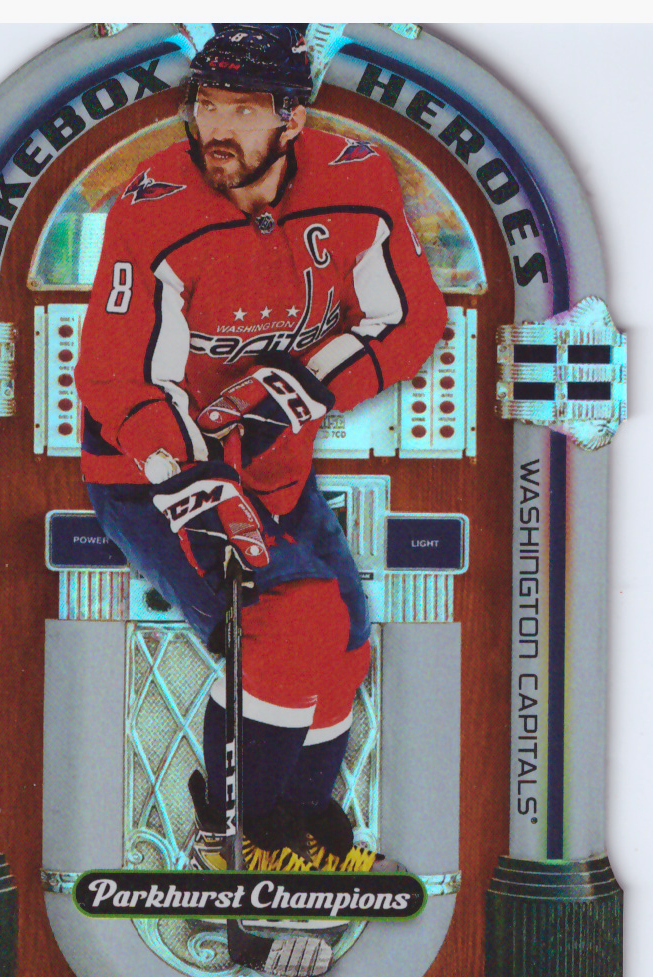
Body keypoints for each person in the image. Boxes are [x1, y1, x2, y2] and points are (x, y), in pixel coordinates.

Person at [75, 24, 447, 873]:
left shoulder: (358, 177)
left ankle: (298, 826)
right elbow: (115, 374)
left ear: (292, 118)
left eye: (242, 111)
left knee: (344, 641)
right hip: (151, 472)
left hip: (275, 468)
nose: (217, 127)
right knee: (288, 622)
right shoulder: (153, 205)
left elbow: (409, 318)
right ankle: (234, 837)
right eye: (207, 105)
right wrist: (188, 478)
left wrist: (310, 384)